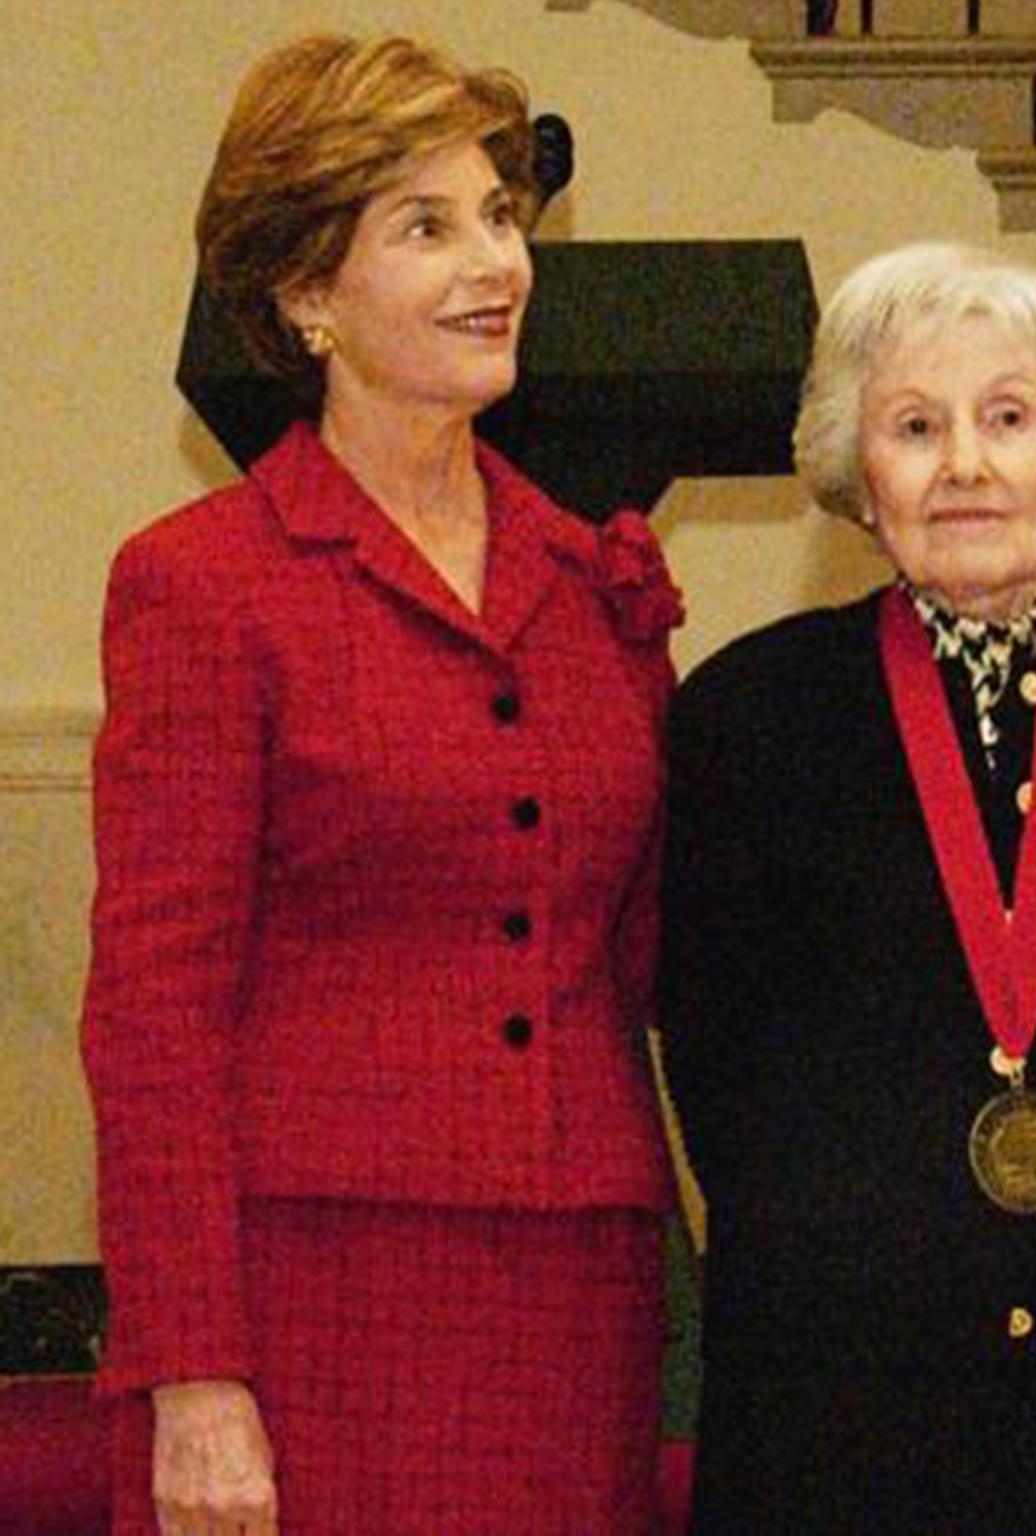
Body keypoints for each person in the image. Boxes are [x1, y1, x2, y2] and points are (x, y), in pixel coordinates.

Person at [81, 35, 684, 1536]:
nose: (495, 262)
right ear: (304, 298)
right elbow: (152, 1009)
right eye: (426, 227)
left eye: (497, 214)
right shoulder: (207, 586)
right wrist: (193, 1372)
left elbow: (646, 954)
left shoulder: (591, 577)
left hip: (577, 1294)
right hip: (309, 1291)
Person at [658, 241, 1036, 1534]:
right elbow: (718, 1078)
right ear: (856, 474)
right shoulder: (743, 719)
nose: (968, 466)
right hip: (840, 1393)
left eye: (1007, 417)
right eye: (917, 427)